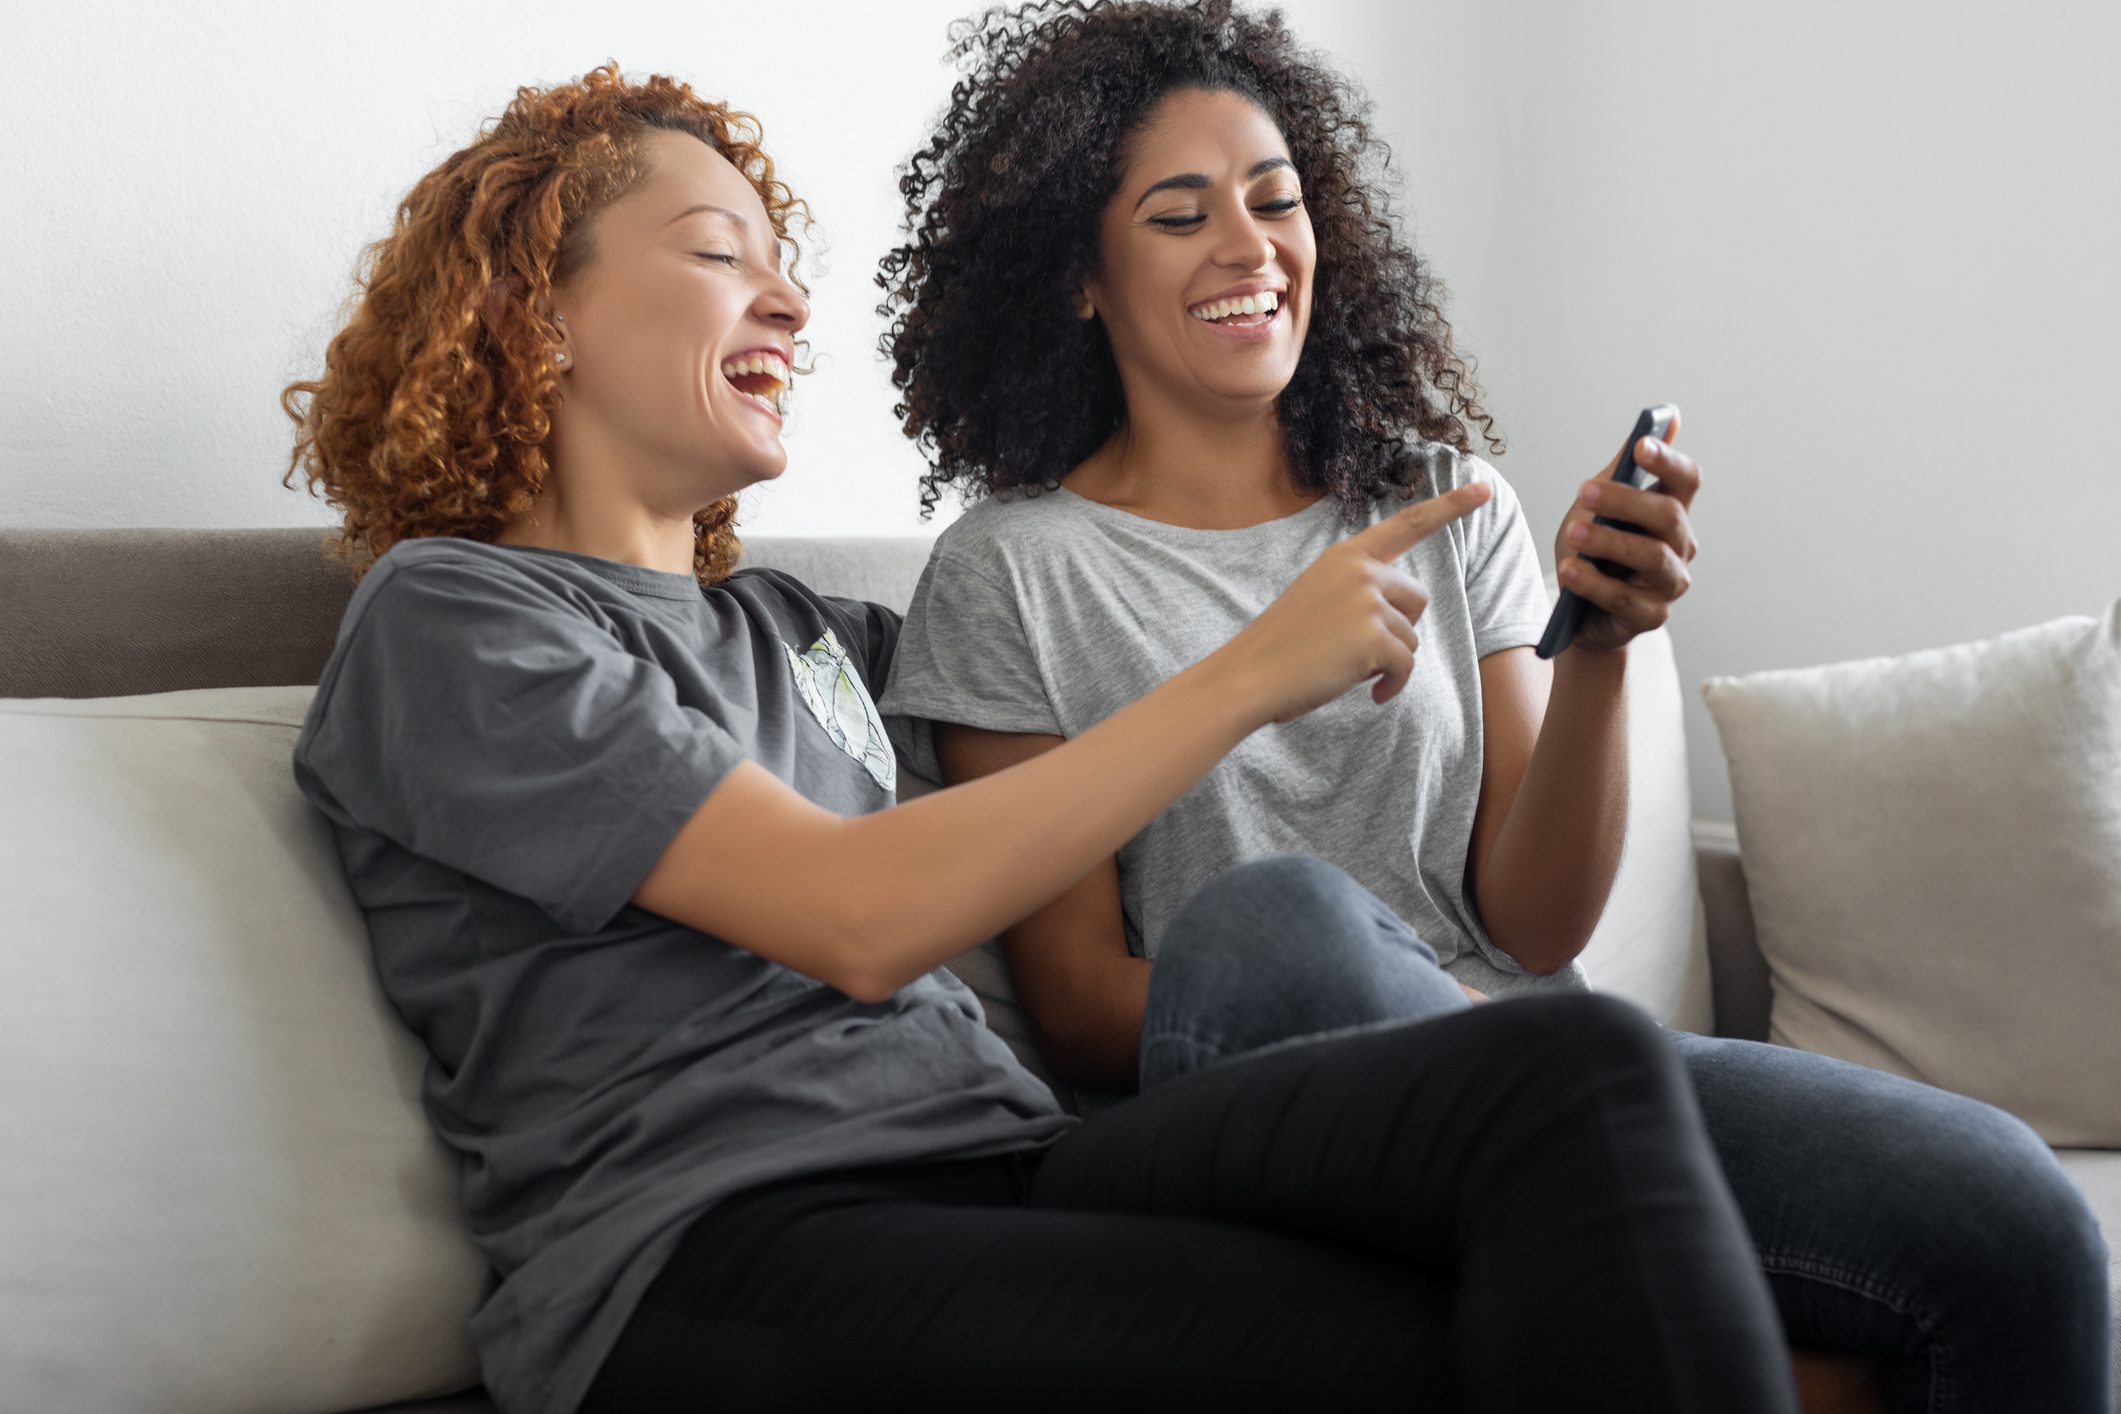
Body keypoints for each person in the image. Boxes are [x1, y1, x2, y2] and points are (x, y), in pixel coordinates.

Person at [281, 62, 1806, 1414]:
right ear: (528, 313)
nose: (791, 302)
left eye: (783, 264)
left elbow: (1058, 803)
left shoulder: (819, 635)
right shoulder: (455, 619)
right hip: (717, 1240)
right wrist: (1244, 674)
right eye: (714, 253)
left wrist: (1569, 646)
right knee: (1436, 1339)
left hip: (1005, 1158)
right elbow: (856, 915)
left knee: (1567, 1062)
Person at [872, 4, 2114, 1412]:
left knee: (2020, 1225)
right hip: (1252, 1108)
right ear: (1075, 276)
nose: (1248, 245)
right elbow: (1091, 1013)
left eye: (1276, 200)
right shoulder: (1012, 569)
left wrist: (1597, 645)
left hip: (1552, 1071)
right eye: (1177, 214)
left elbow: (1532, 925)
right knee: (1281, 916)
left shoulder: (1439, 497)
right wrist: (1429, 1027)